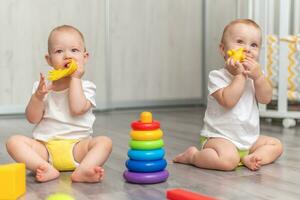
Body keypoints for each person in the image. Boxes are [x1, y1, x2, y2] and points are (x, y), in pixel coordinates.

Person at [6, 25, 112, 182]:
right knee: (13, 142)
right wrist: (38, 97)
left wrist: (75, 78)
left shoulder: (87, 87)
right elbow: (32, 118)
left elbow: (77, 109)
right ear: (49, 60)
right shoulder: (42, 87)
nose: (67, 56)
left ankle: (84, 170)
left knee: (105, 142)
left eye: (74, 50)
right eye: (59, 51)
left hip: (77, 147)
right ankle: (43, 167)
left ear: (85, 57)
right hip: (45, 149)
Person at [173, 19, 283, 171]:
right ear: (223, 49)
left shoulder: (256, 77)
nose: (247, 49)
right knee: (228, 162)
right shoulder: (217, 77)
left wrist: (258, 78)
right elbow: (228, 101)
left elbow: (266, 99)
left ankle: (248, 158)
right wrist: (239, 77)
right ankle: (193, 156)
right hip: (220, 137)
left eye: (254, 45)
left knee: (276, 145)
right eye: (240, 42)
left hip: (249, 139)